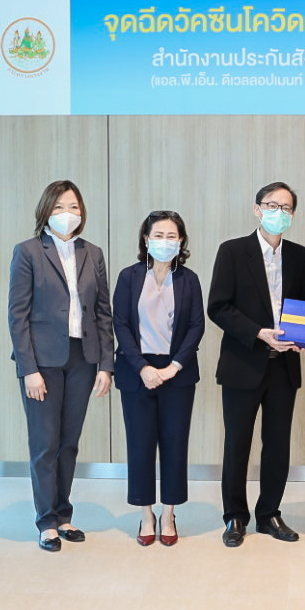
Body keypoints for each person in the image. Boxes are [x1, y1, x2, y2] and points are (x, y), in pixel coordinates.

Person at [208, 182, 305, 548]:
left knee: (277, 444)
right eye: (272, 205)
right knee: (237, 444)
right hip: (243, 362)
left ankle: (269, 513)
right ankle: (235, 516)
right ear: (257, 209)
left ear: (293, 214)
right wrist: (258, 333)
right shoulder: (232, 251)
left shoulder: (299, 255)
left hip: (283, 366)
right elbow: (218, 307)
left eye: (285, 208)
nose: (278, 213)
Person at [9, 180, 115, 552]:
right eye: (58, 207)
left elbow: (103, 312)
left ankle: (64, 514)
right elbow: (17, 316)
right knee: (45, 444)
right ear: (45, 212)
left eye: (72, 207)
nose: (66, 214)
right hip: (42, 362)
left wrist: (106, 364)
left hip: (82, 357)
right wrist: (28, 369)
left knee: (69, 443)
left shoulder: (92, 253)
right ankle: (46, 521)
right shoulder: (28, 252)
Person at [113, 211, 203, 546]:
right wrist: (142, 367)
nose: (165, 242)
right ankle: (145, 513)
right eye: (158, 235)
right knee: (140, 445)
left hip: (177, 373)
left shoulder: (189, 279)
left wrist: (173, 366)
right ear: (146, 239)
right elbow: (120, 323)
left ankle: (169, 513)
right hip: (137, 372)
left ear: (181, 241)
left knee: (174, 444)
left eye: (171, 236)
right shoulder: (129, 276)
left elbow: (196, 326)